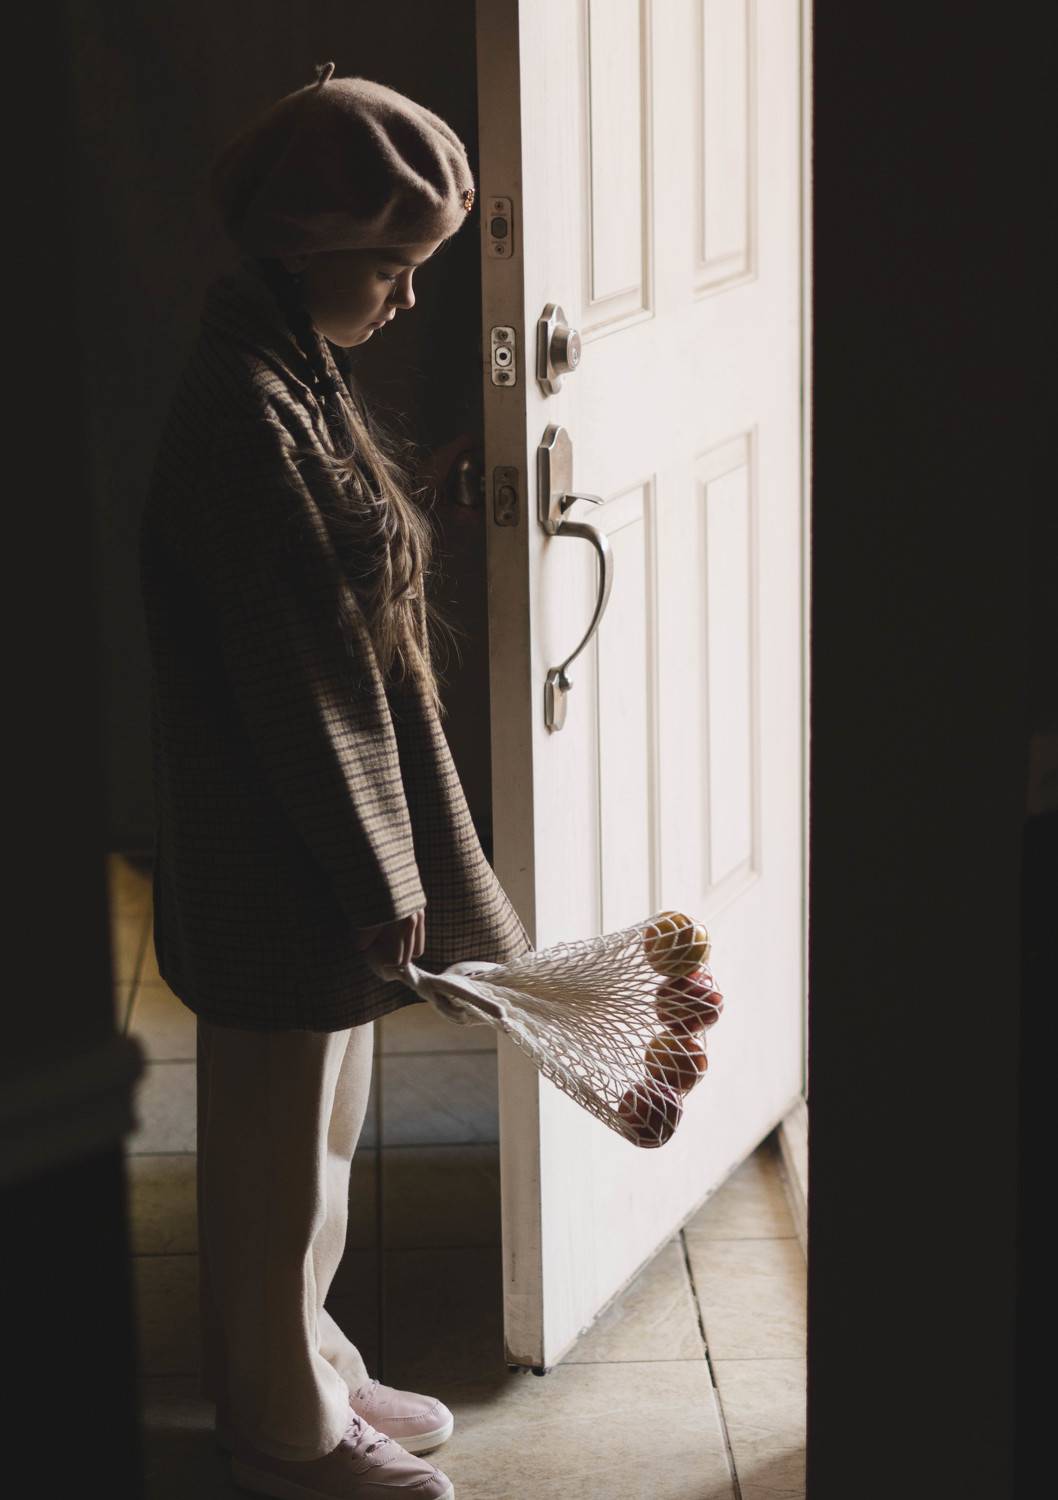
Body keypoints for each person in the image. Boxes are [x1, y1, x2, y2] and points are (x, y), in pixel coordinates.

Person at [137, 62, 532, 1500]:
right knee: (275, 1152)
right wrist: (379, 873)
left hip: (298, 840)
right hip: (280, 847)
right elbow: (303, 683)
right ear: (308, 248)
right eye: (390, 266)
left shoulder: (289, 373)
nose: (409, 298)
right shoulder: (247, 416)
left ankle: (305, 1357)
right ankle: (284, 1432)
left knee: (323, 1126)